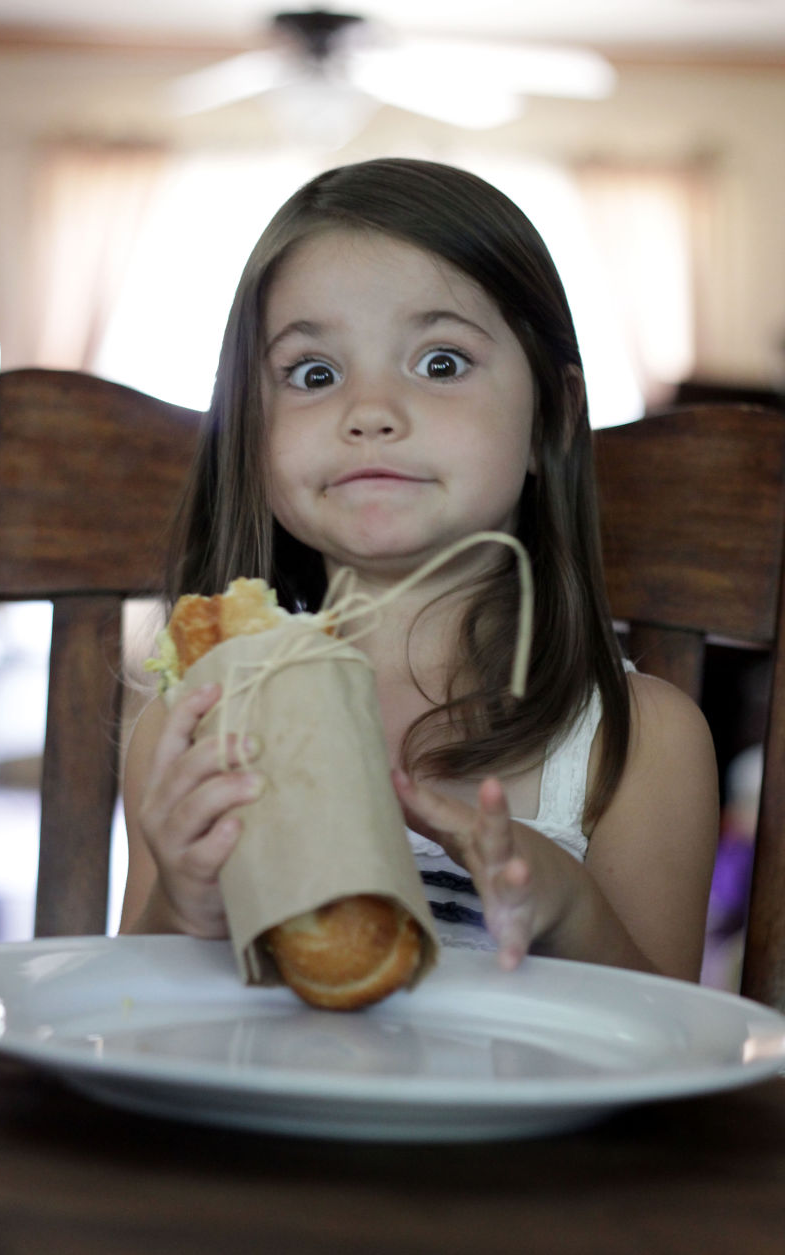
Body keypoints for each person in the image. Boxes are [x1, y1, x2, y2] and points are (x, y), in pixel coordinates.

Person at [119, 157, 719, 980]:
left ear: (554, 420)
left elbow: (673, 1056)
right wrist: (179, 912)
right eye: (313, 373)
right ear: (253, 439)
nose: (368, 411)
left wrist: (572, 907)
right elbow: (134, 1017)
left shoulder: (639, 742)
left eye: (440, 363)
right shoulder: (194, 723)